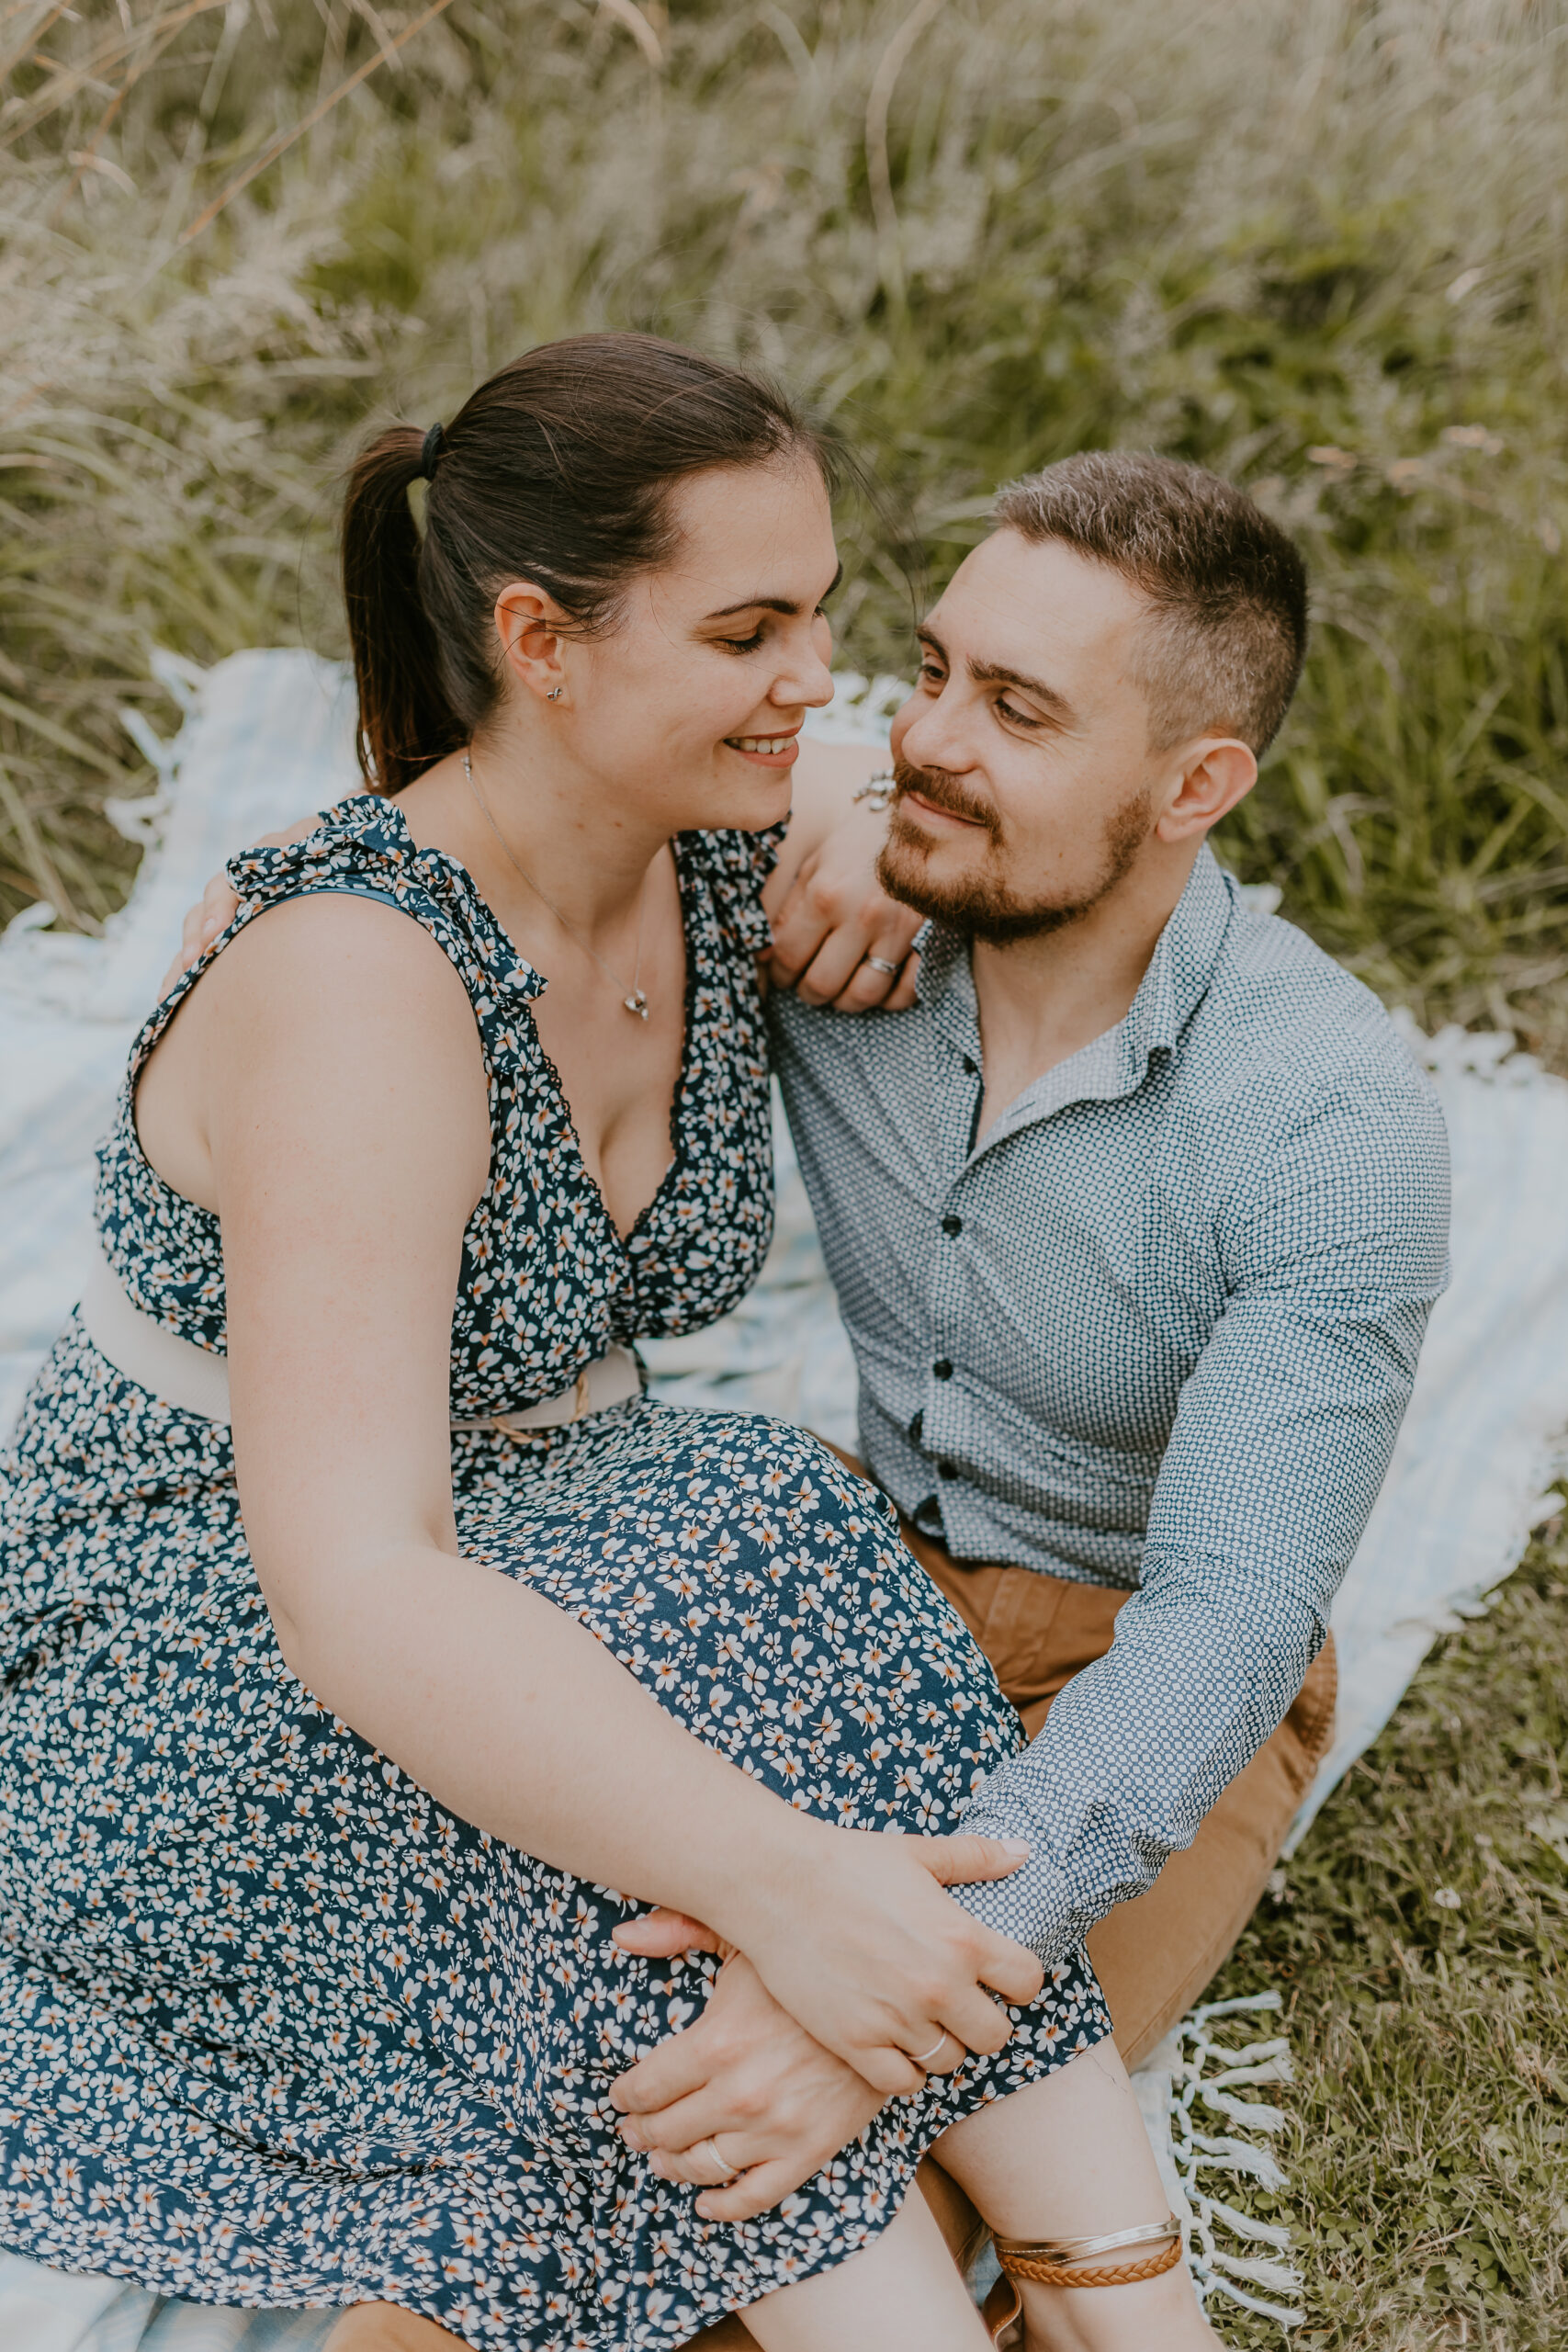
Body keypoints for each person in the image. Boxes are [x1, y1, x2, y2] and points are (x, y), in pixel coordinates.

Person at [0, 337, 1224, 2352]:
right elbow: (361, 1585)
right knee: (640, 1895)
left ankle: (1127, 2298)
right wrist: (778, 1880)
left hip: (560, 1529)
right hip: (210, 1640)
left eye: (822, 617)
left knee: (767, 1524)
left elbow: (977, 805)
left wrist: (849, 814)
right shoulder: (360, 983)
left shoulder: (712, 831)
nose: (813, 678)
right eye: (748, 628)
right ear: (537, 643)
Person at [598, 452, 1450, 2241]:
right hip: (842, 1558)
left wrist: (908, 1989)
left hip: (1125, 1665)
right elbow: (510, 793)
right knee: (592, 2037)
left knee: (857, 2155)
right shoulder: (852, 895)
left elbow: (1220, 1614)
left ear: (1189, 784)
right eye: (926, 673)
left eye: (1014, 708)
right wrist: (831, 790)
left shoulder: (1322, 1111)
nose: (924, 735)